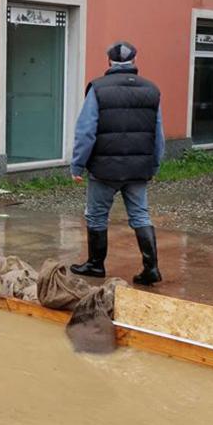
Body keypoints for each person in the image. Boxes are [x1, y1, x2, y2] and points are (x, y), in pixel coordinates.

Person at [69, 41, 165, 286]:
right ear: (134, 61)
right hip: (138, 170)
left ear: (109, 62)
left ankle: (95, 265)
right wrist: (154, 165)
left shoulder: (98, 89)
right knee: (141, 216)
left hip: (104, 169)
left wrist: (77, 165)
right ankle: (151, 268)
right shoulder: (151, 90)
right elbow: (158, 134)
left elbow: (86, 131)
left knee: (97, 216)